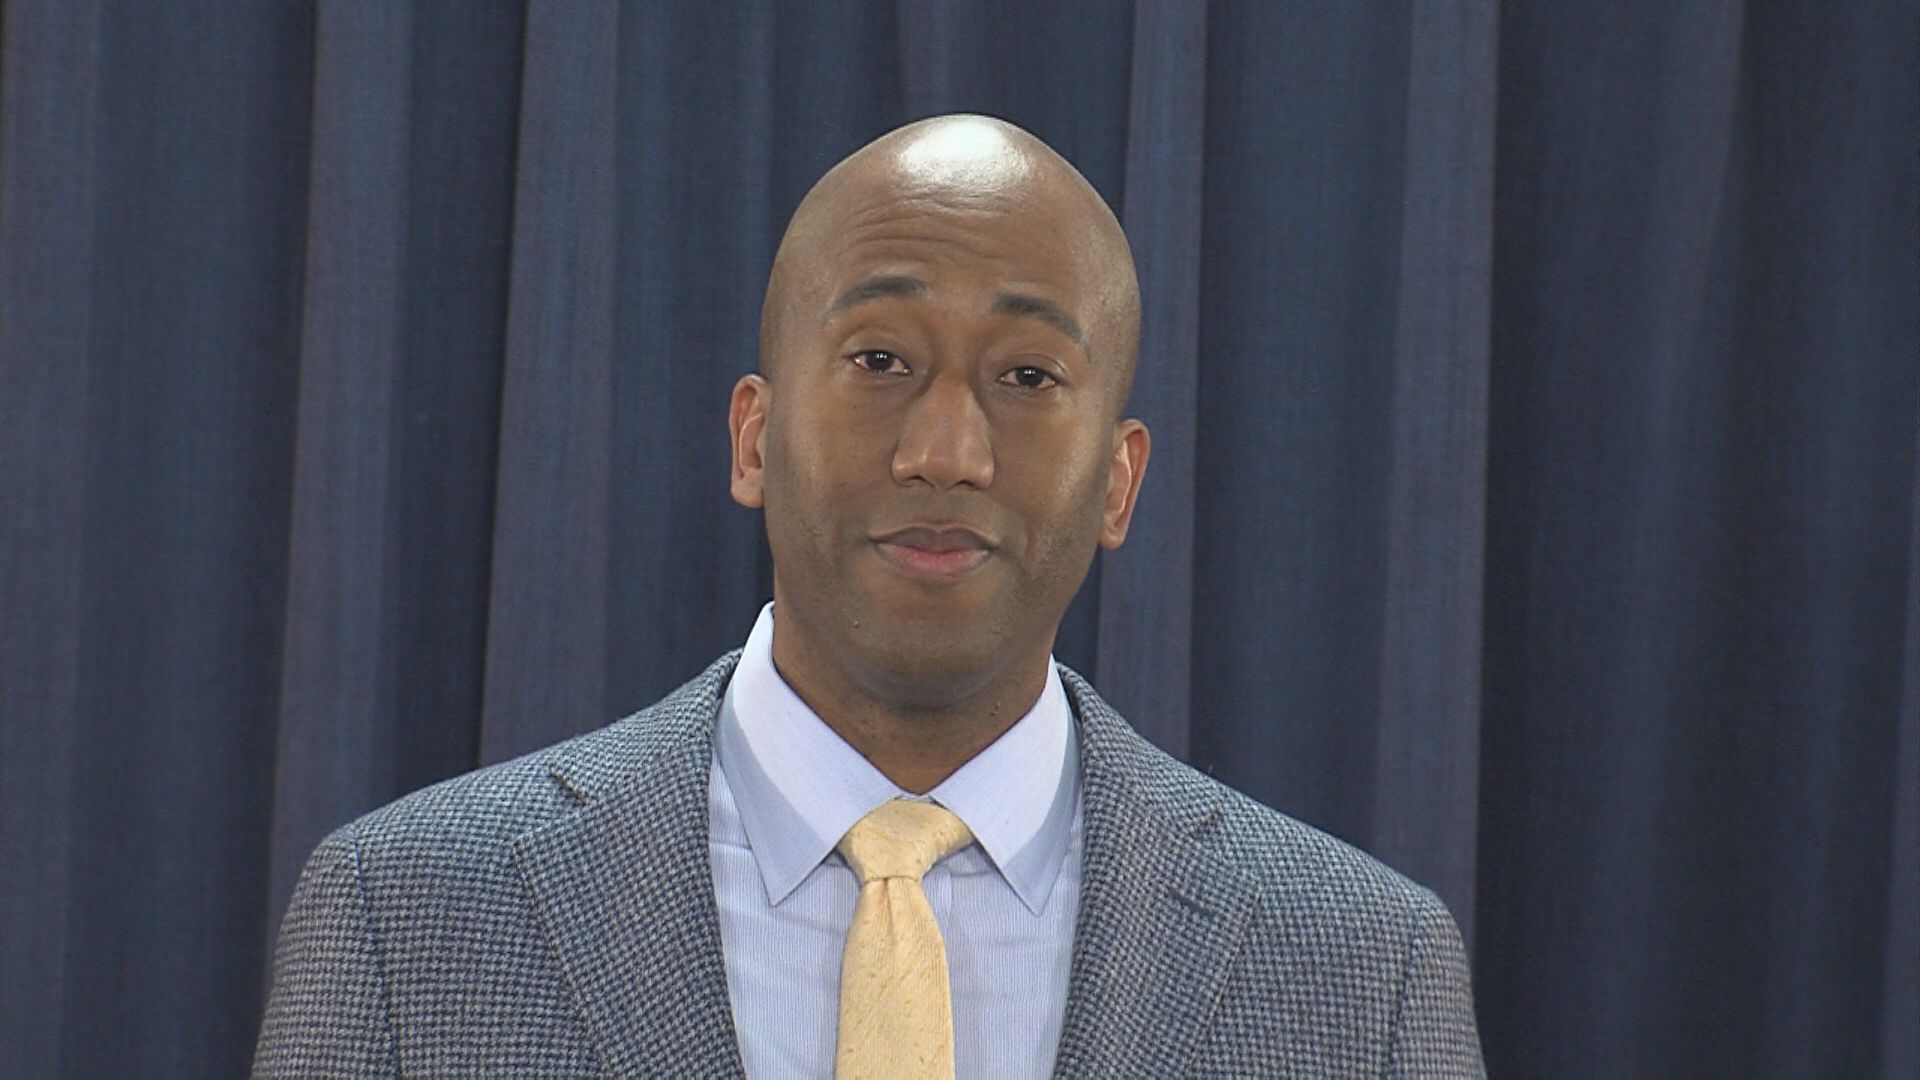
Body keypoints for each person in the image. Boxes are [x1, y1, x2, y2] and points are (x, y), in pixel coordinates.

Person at [254, 114, 1486, 1079]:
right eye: (881, 359)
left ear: (1119, 481)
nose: (946, 451)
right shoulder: (408, 919)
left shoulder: (1361, 977)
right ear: (754, 436)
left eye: (1027, 375)